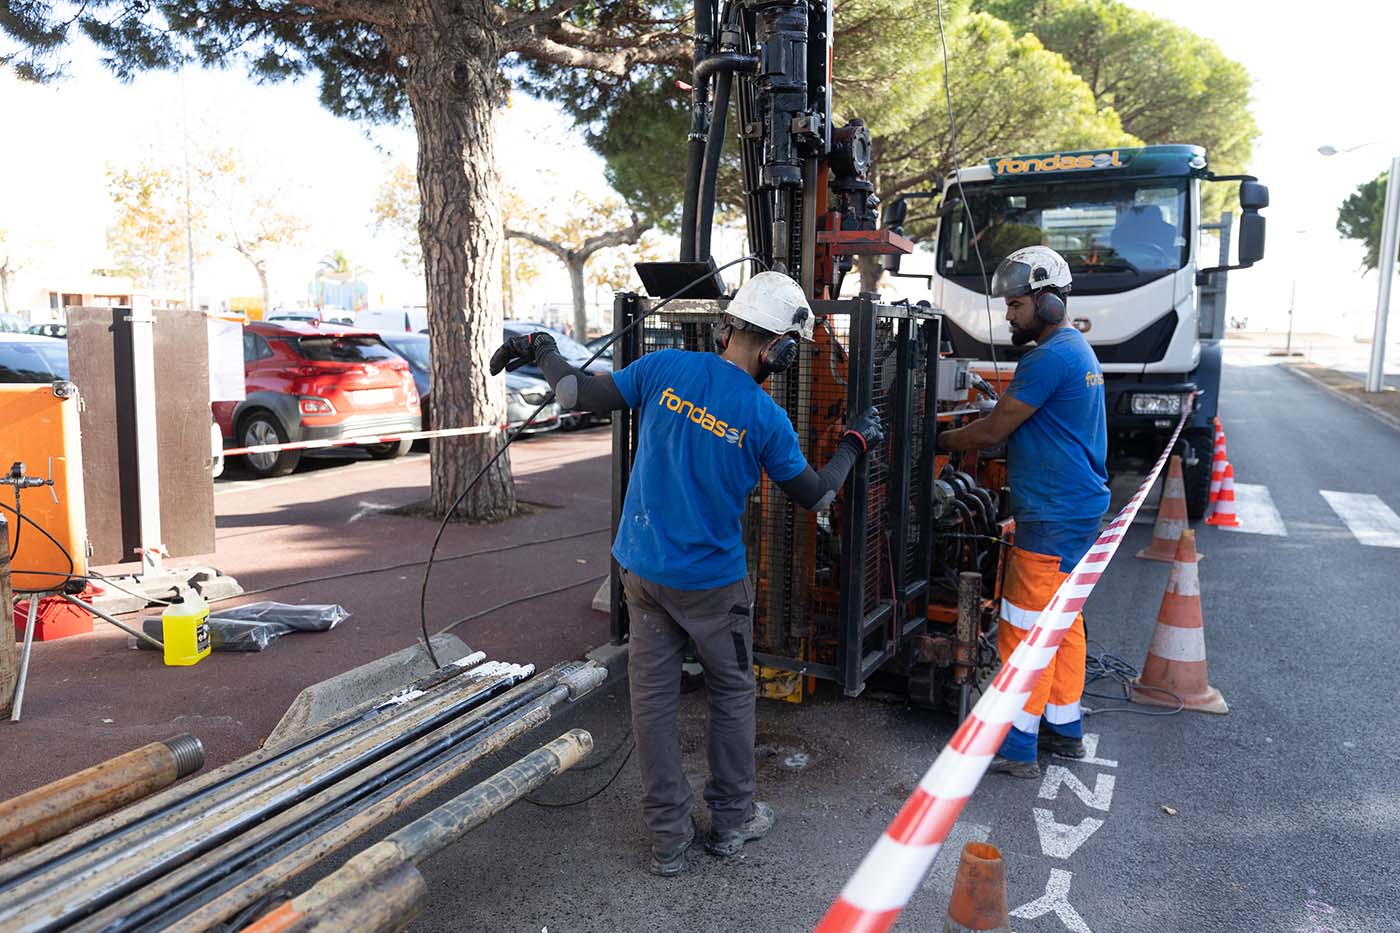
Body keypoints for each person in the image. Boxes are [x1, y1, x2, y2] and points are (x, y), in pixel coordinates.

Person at [490, 271, 884, 872]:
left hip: (641, 573)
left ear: (727, 326)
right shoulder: (764, 417)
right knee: (730, 696)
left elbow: (573, 396)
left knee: (651, 704)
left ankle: (668, 840)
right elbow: (816, 495)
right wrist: (854, 442)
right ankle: (731, 823)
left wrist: (540, 345)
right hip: (711, 588)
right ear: (781, 351)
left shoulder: (663, 368)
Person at [937, 245, 1109, 779]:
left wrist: (934, 437)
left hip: (1054, 513)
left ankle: (1014, 746)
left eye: (1016, 304)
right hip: (1078, 508)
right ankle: (1064, 729)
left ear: (1049, 304)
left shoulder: (1048, 357)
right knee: (1063, 621)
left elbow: (992, 431)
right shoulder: (1074, 350)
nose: (1009, 314)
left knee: (1024, 626)